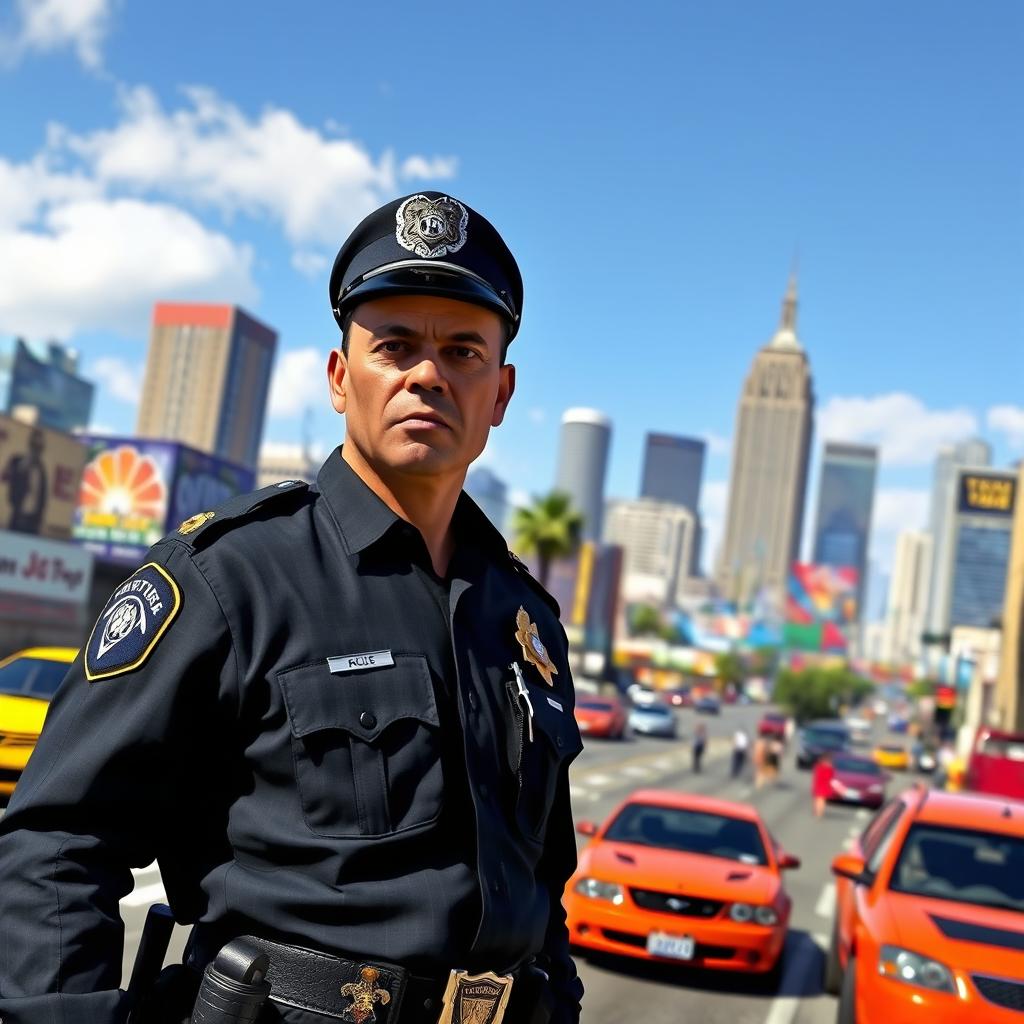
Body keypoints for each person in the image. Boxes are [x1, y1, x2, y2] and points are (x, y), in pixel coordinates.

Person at [0, 192, 585, 1024]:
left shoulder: (525, 623)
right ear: (342, 379)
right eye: (396, 347)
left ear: (500, 393)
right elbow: (59, 838)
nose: (428, 374)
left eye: (463, 351)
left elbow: (541, 889)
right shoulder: (228, 578)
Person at [4, 426, 48, 534]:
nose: (37, 449)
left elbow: (42, 496)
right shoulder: (20, 462)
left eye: (39, 446)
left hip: (33, 522)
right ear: (30, 445)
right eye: (35, 445)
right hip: (18, 517)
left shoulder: (41, 470)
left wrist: (39, 519)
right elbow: (12, 488)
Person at [812, 751, 835, 817]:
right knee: (821, 800)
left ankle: (817, 812)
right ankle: (819, 812)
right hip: (825, 785)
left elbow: (816, 774)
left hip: (819, 785)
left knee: (818, 799)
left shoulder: (818, 767)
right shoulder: (830, 768)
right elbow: (831, 777)